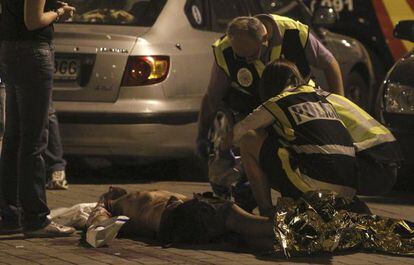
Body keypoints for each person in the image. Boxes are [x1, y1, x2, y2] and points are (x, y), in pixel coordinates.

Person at [196, 15, 344, 201]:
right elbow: (213, 96)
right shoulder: (226, 50)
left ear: (265, 39)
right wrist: (203, 135)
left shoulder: (293, 33)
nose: (247, 61)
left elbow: (330, 64)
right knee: (238, 149)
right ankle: (246, 193)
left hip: (300, 109)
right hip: (254, 111)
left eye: (251, 55)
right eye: (240, 56)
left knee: (306, 159)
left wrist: (339, 104)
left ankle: (308, 195)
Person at [231, 59, 402, 217]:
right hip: (386, 162)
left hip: (372, 163)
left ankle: (267, 213)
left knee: (255, 141)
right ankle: (348, 207)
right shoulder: (325, 98)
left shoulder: (285, 101)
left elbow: (240, 135)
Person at [85, 186, 414, 257]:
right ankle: (344, 232)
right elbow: (97, 230)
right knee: (261, 227)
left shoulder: (132, 200)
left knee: (259, 234)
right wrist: (101, 209)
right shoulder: (112, 205)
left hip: (190, 219)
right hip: (189, 216)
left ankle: (345, 234)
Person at [0, 0, 75, 237]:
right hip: (33, 52)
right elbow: (33, 21)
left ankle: (10, 215)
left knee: (14, 138)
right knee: (34, 138)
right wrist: (59, 12)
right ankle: (35, 219)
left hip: (11, 49)